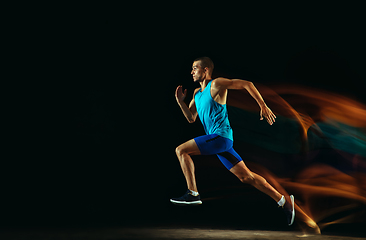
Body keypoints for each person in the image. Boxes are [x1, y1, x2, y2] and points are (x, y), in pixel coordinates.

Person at [171, 57, 295, 226]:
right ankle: (283, 201)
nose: (192, 72)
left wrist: (263, 105)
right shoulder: (196, 93)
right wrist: (180, 102)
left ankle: (193, 193)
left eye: (195, 68)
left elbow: (247, 84)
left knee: (181, 150)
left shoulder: (216, 84)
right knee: (246, 177)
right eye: (192, 69)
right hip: (219, 143)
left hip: (220, 138)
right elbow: (191, 118)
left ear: (205, 70)